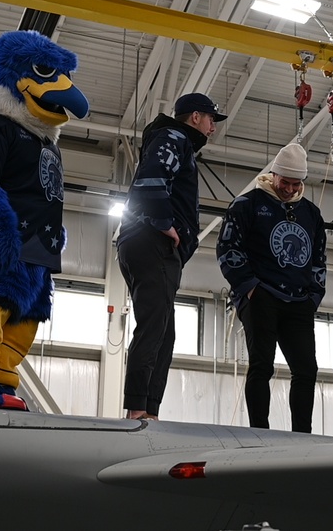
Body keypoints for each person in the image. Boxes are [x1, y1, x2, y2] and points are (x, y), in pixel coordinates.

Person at [0, 31, 89, 409]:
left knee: (25, 321)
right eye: (45, 72)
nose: (62, 86)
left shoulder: (48, 145)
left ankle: (3, 382)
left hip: (37, 251)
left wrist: (54, 238)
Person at [118, 92, 227, 421]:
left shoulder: (173, 140)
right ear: (195, 117)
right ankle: (139, 409)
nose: (212, 128)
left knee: (163, 331)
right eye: (210, 120)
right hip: (151, 242)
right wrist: (165, 224)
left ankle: (148, 409)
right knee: (154, 327)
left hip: (145, 243)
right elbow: (151, 180)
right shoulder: (173, 137)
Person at [217, 143, 327, 433]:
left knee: (306, 370)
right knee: (261, 365)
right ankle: (259, 431)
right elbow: (228, 248)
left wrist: (313, 296)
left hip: (299, 301)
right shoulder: (247, 203)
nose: (290, 189)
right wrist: (250, 288)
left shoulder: (312, 214)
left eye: (296, 184)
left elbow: (319, 259)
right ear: (273, 174)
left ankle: (302, 434)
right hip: (260, 295)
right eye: (284, 182)